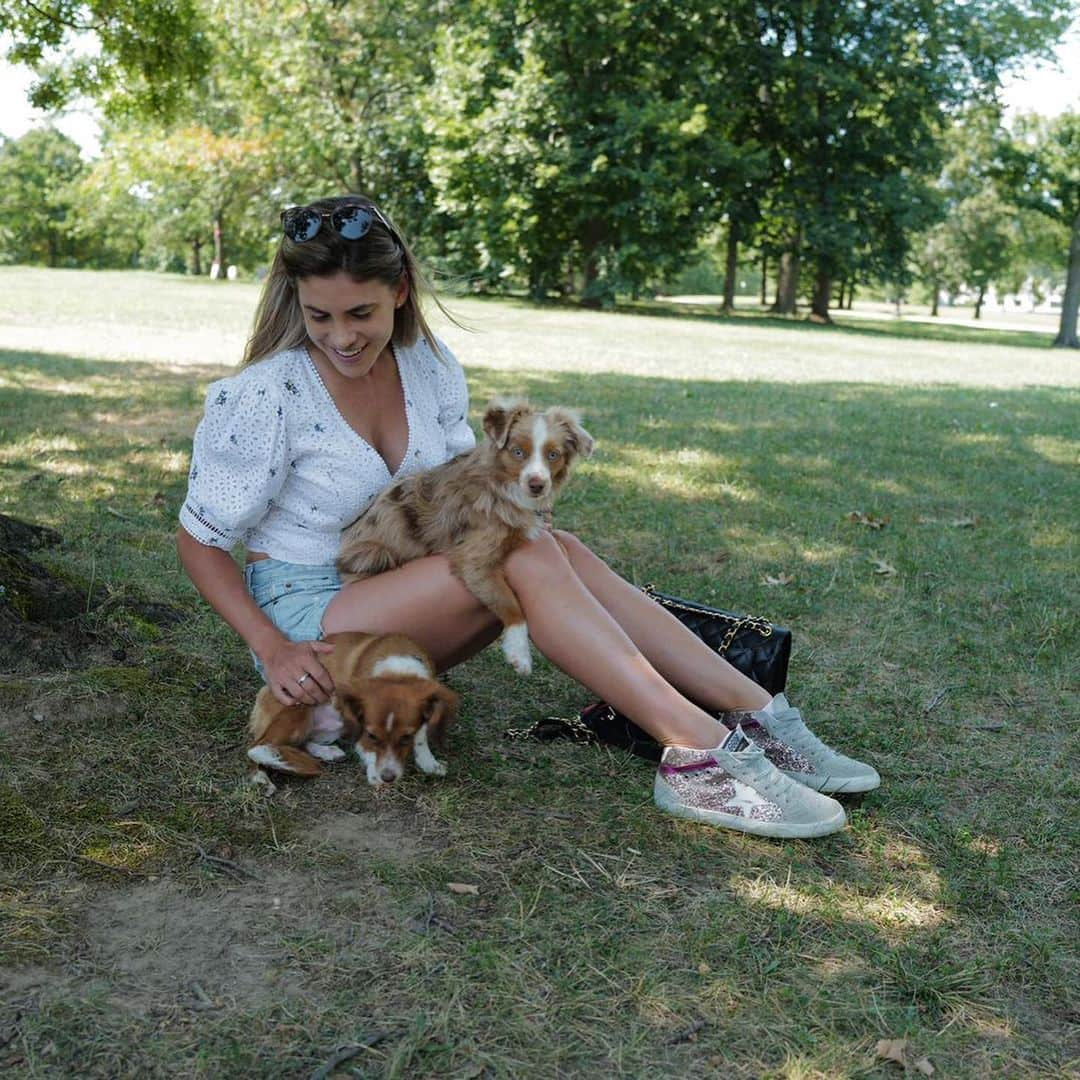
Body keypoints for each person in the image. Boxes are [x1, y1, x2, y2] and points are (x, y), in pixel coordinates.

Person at [177, 194, 880, 839]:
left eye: (360, 314)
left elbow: (453, 490)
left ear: (398, 291)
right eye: (318, 315)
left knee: (551, 544)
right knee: (521, 551)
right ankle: (700, 755)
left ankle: (757, 714)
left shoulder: (425, 366)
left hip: (398, 592)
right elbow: (200, 540)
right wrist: (272, 648)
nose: (341, 337)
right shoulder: (269, 395)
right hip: (312, 623)